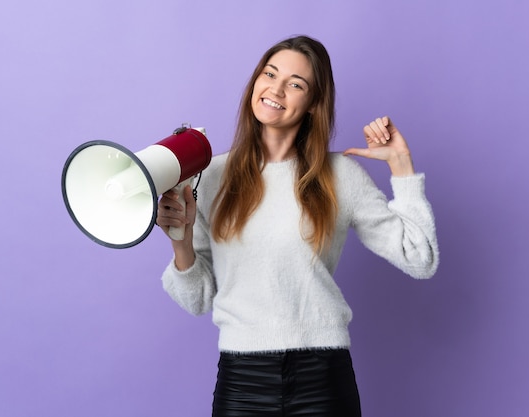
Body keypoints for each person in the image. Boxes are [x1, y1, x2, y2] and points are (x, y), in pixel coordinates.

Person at [157, 35, 439, 417]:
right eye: (269, 74)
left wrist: (402, 166)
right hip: (242, 379)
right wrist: (181, 241)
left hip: (322, 377)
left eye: (295, 83)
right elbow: (198, 300)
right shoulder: (209, 176)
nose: (276, 88)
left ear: (312, 104)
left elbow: (420, 259)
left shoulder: (340, 176)